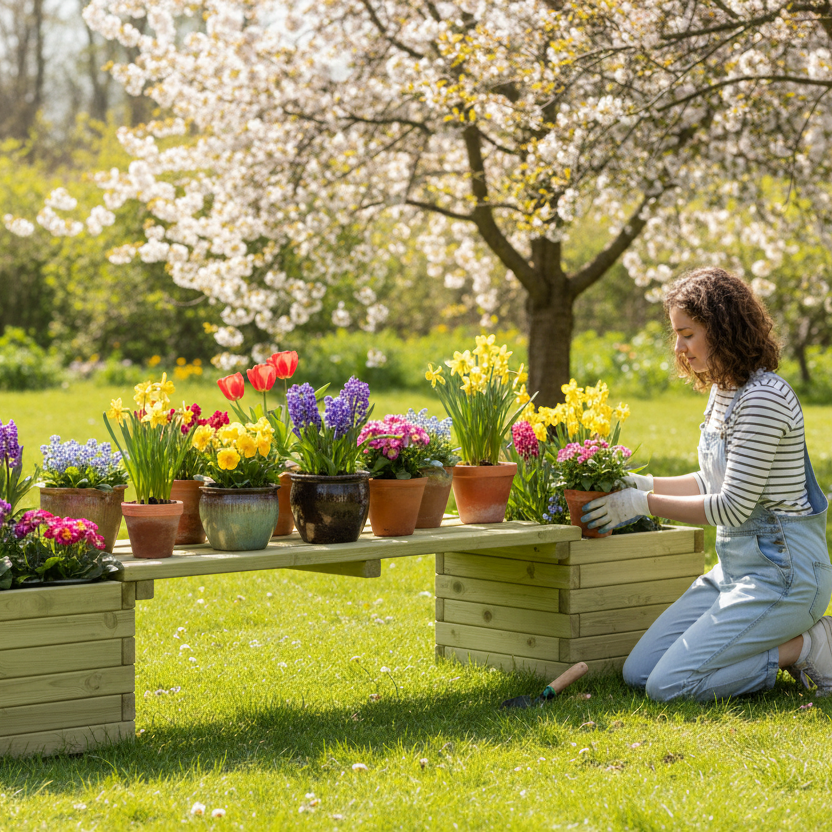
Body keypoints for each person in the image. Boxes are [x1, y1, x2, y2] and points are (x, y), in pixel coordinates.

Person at [581, 267, 832, 702]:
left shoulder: (764, 398)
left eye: (688, 334)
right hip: (736, 571)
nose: (678, 348)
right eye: (676, 335)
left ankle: (810, 645)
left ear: (722, 329)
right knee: (639, 673)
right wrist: (643, 480)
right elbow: (710, 480)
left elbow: (732, 507)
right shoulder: (724, 390)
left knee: (669, 687)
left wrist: (642, 502)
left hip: (785, 576)